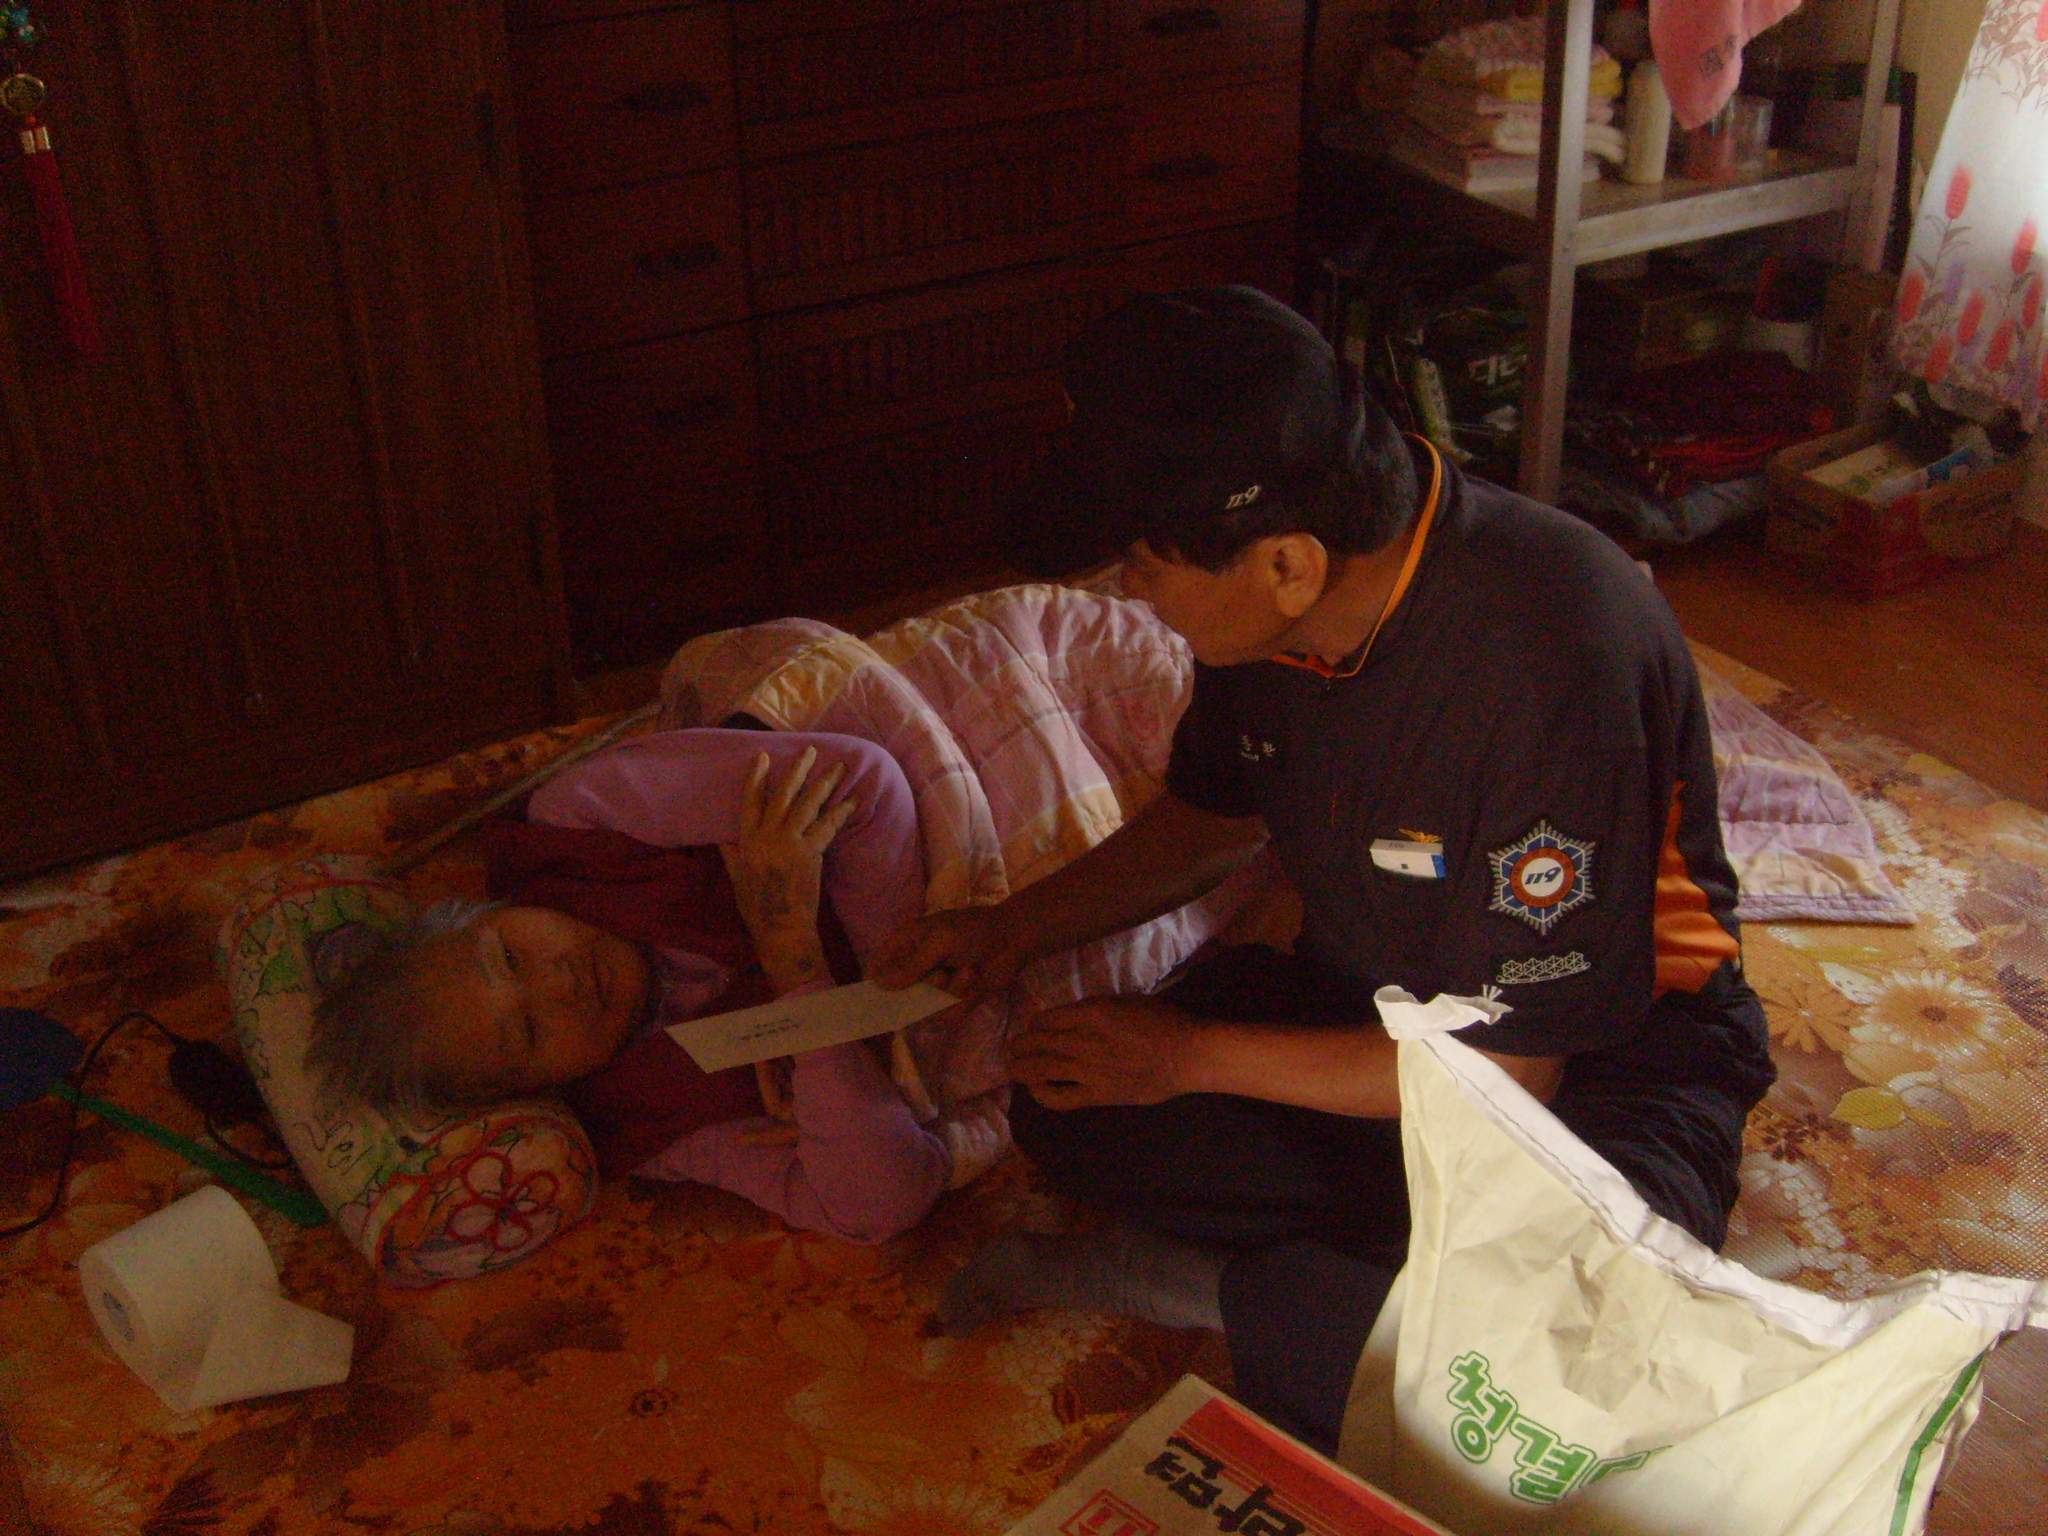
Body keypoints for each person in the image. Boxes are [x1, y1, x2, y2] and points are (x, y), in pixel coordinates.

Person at [873, 285, 1775, 1450]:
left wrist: (1190, 1053)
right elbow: (1211, 817)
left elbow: (1508, 1071)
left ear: (1286, 565)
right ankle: (1369, 1283)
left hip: (1612, 1062)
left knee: (1570, 1347)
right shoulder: (1272, 611)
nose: (1125, 593)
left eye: (1141, 566)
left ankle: (1227, 1289)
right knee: (1070, 1102)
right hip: (1367, 1007)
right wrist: (1009, 929)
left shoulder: (1549, 658)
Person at [311, 731, 1003, 1244]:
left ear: (491, 909)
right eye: (529, 1032)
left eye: (509, 956)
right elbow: (876, 1207)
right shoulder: (647, 1122)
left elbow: (859, 780)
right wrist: (798, 970)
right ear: (542, 1090)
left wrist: (892, 1017)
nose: (559, 985)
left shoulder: (580, 824)